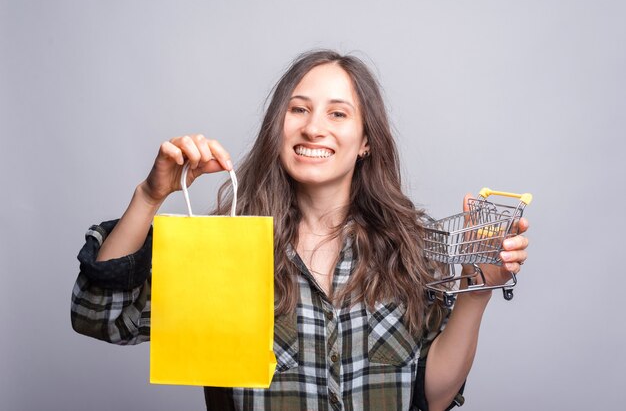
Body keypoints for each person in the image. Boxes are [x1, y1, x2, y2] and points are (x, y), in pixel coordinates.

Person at [71, 49, 529, 411]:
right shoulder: (224, 250)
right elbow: (100, 317)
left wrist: (477, 291)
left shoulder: (411, 244)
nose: (313, 128)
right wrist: (150, 196)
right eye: (299, 109)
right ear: (279, 127)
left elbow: (433, 396)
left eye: (337, 114)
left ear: (366, 140)